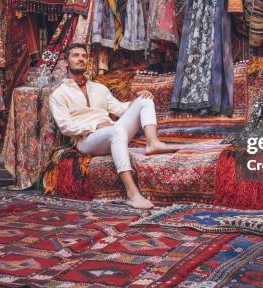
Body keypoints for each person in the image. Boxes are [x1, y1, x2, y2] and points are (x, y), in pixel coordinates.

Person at [49, 43, 180, 209]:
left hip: (111, 131)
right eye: (76, 55)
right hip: (87, 139)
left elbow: (119, 109)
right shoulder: (59, 93)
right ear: (67, 62)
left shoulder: (99, 88)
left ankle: (152, 142)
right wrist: (95, 126)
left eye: (84, 56)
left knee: (145, 100)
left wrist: (136, 99)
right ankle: (132, 194)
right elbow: (65, 127)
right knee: (116, 130)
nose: (81, 59)